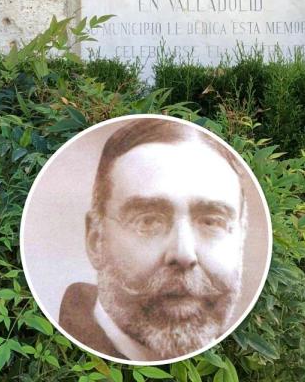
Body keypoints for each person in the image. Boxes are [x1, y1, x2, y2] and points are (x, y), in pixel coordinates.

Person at [58, 118, 248, 361]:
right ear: (96, 240)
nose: (184, 253)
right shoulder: (64, 358)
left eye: (212, 222)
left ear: (240, 239)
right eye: (147, 221)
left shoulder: (233, 354)